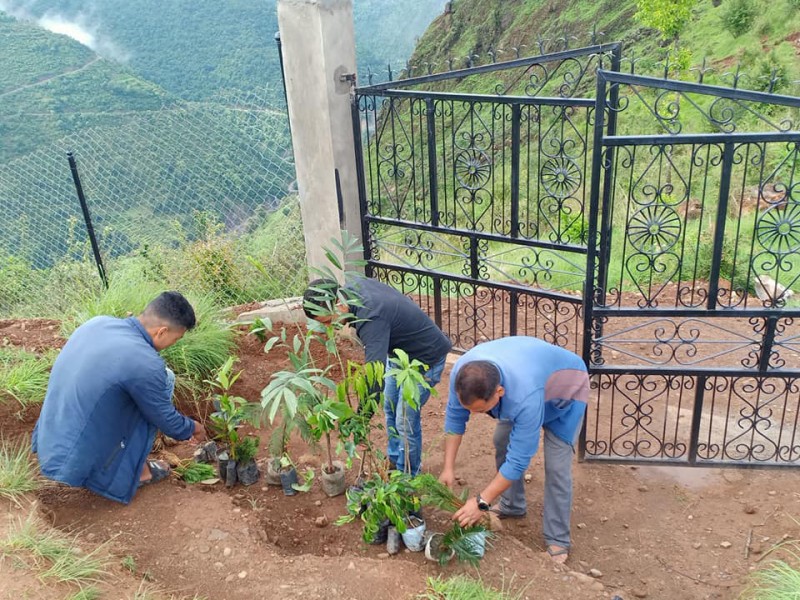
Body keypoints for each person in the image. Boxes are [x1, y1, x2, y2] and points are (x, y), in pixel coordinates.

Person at [32, 291, 206, 504]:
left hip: (51, 437)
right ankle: (140, 472)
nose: (175, 343)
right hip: (72, 460)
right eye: (176, 338)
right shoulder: (145, 363)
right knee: (149, 404)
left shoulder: (98, 323)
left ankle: (128, 459)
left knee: (165, 378)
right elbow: (166, 420)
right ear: (162, 331)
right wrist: (194, 428)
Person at [439, 336, 588, 564]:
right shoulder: (462, 373)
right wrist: (448, 468)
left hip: (565, 393)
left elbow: (519, 460)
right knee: (502, 440)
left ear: (499, 392)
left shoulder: (523, 396)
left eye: (480, 410)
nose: (475, 414)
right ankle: (512, 505)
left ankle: (558, 539)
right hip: (531, 383)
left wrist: (481, 502)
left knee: (557, 466)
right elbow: (454, 419)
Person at [303, 277, 452, 475]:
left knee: (404, 421)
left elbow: (375, 378)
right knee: (390, 407)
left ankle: (408, 478)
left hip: (425, 358)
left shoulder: (371, 318)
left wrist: (361, 420)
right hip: (400, 354)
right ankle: (395, 460)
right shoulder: (352, 289)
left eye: (329, 321)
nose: (331, 327)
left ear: (338, 304)